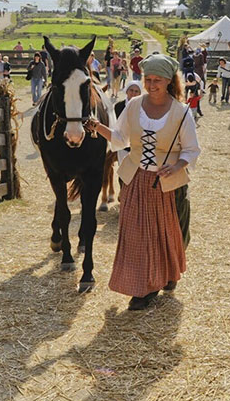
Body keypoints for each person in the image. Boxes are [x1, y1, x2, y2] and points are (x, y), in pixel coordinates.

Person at [85, 54, 200, 310]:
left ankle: (167, 275)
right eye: (148, 79)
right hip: (135, 179)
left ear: (169, 81)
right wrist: (97, 127)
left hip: (167, 184)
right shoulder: (134, 105)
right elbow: (119, 139)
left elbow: (192, 150)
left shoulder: (181, 113)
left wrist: (177, 165)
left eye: (157, 80)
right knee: (138, 236)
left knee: (166, 236)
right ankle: (144, 288)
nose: (151, 84)